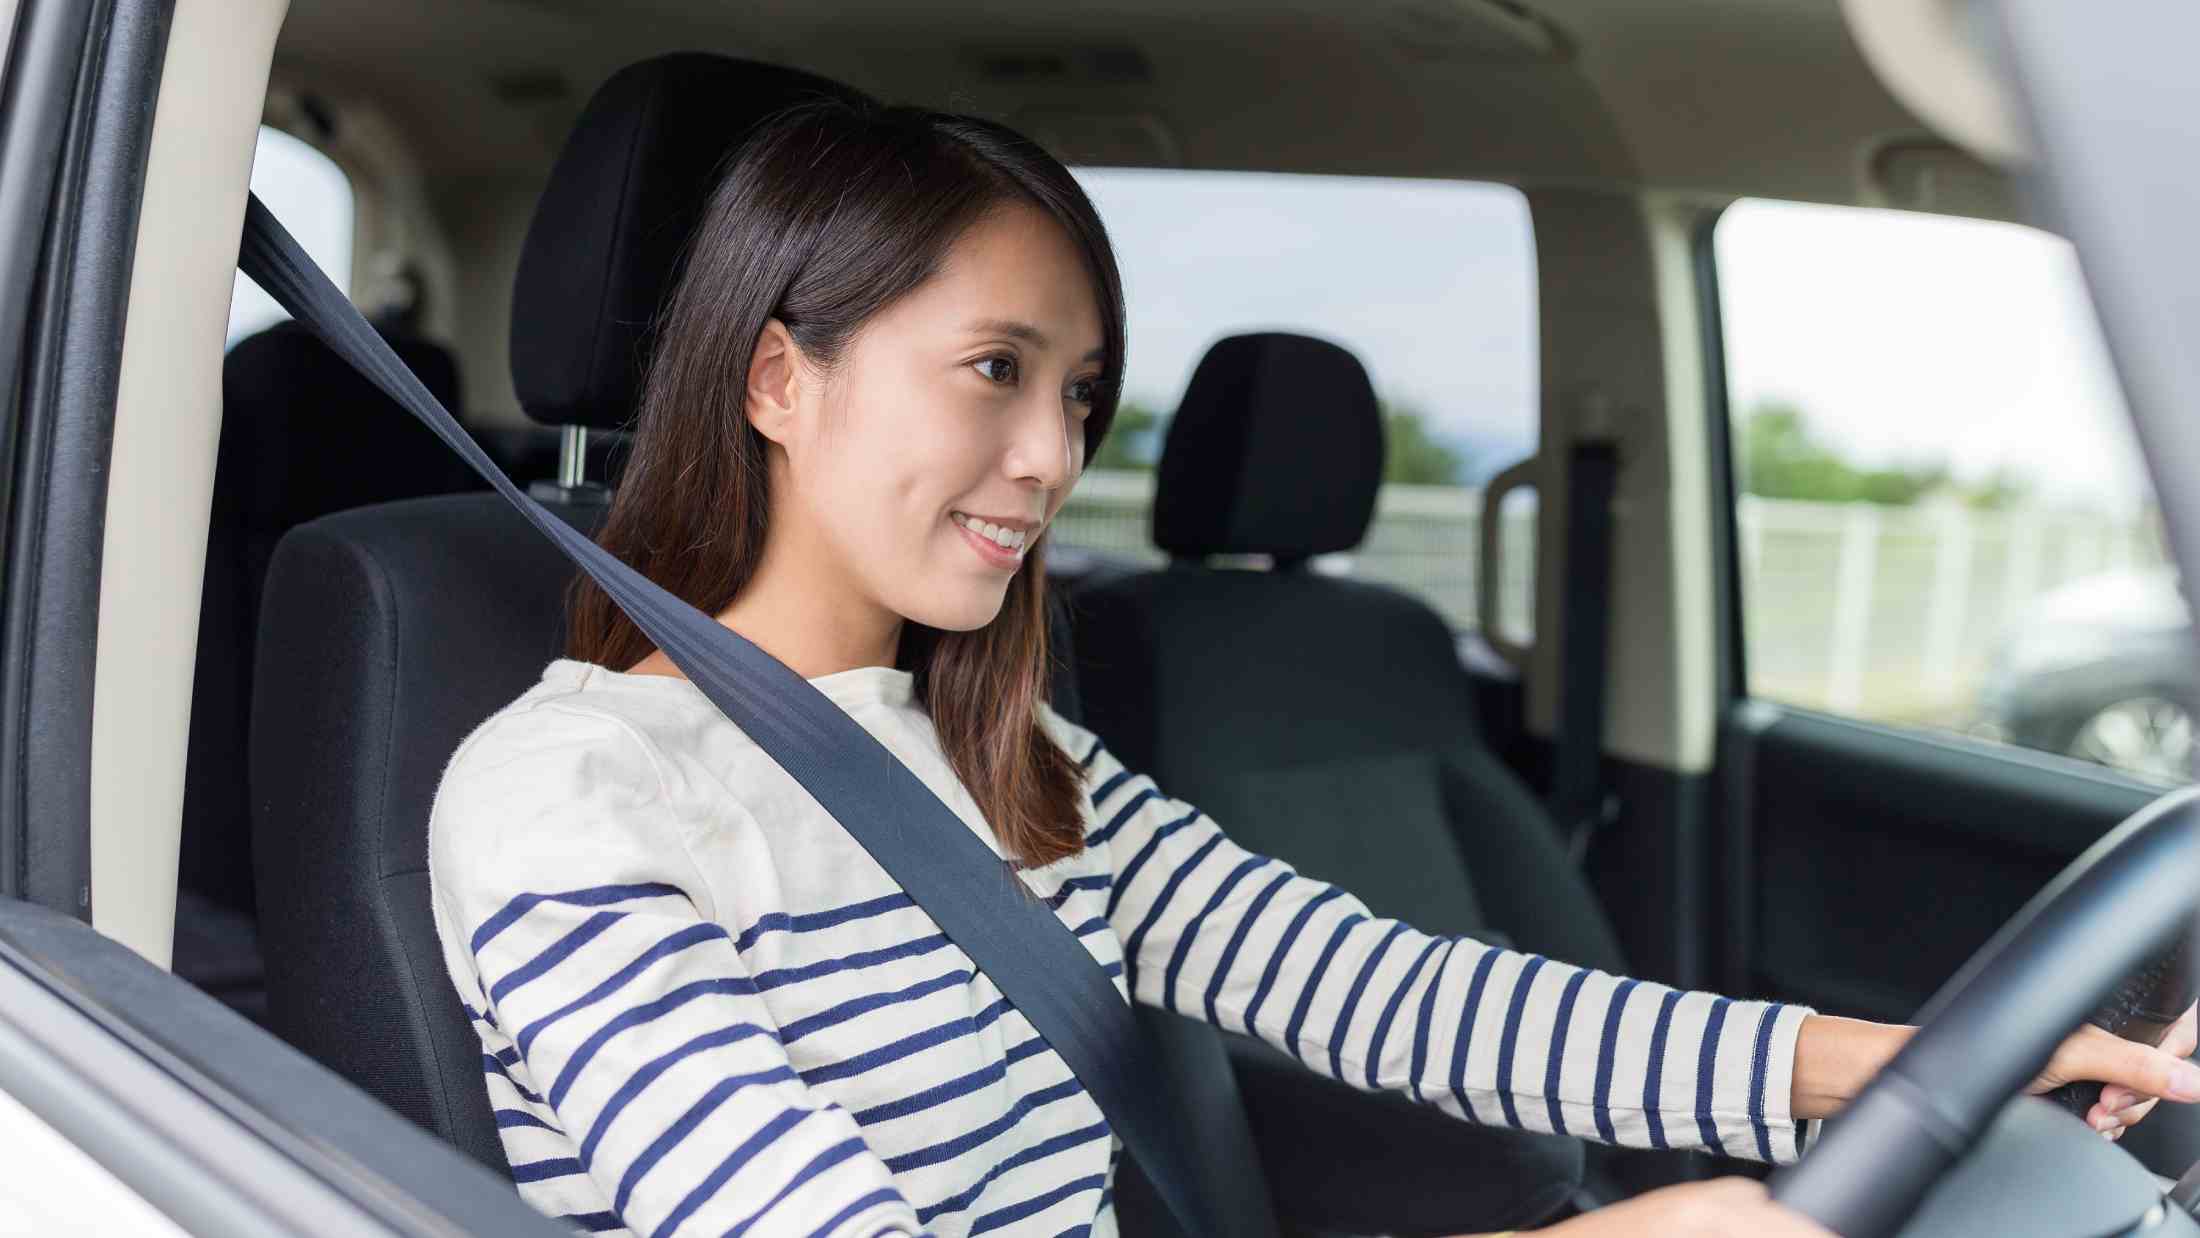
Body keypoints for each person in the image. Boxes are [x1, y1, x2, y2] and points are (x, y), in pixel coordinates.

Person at [426, 99, 2198, 1238]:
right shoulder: (570, 798)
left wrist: (1924, 1064)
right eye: (992, 368)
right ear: (774, 380)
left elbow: (1410, 1000)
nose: (1051, 458)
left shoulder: (1015, 756)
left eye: (1081, 395)